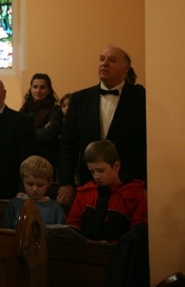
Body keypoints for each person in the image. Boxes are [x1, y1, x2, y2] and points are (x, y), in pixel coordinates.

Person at [57, 46, 147, 206]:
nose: (104, 64)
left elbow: (147, 144)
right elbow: (68, 145)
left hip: (129, 185)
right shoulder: (80, 99)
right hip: (89, 185)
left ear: (125, 69)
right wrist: (66, 183)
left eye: (112, 60)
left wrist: (147, 184)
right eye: (102, 59)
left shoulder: (141, 97)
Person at [67, 140, 147, 241]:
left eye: (101, 171)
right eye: (92, 171)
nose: (96, 176)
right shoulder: (85, 193)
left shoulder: (134, 194)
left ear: (116, 166)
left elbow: (138, 233)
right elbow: (73, 224)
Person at [0, 76, 38, 203]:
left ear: (4, 93)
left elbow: (27, 159)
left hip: (8, 191)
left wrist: (22, 189)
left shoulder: (21, 122)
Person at [1, 155, 66, 229]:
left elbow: (61, 236)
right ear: (22, 180)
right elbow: (6, 232)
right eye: (30, 184)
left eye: (40, 185)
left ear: (49, 183)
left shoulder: (55, 209)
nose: (35, 189)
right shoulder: (14, 205)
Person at [19, 73, 63, 177]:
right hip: (26, 157)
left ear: (49, 90)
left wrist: (27, 133)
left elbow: (49, 133)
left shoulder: (55, 110)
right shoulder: (24, 109)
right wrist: (40, 130)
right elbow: (17, 131)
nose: (38, 91)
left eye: (42, 87)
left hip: (47, 158)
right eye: (35, 87)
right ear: (31, 89)